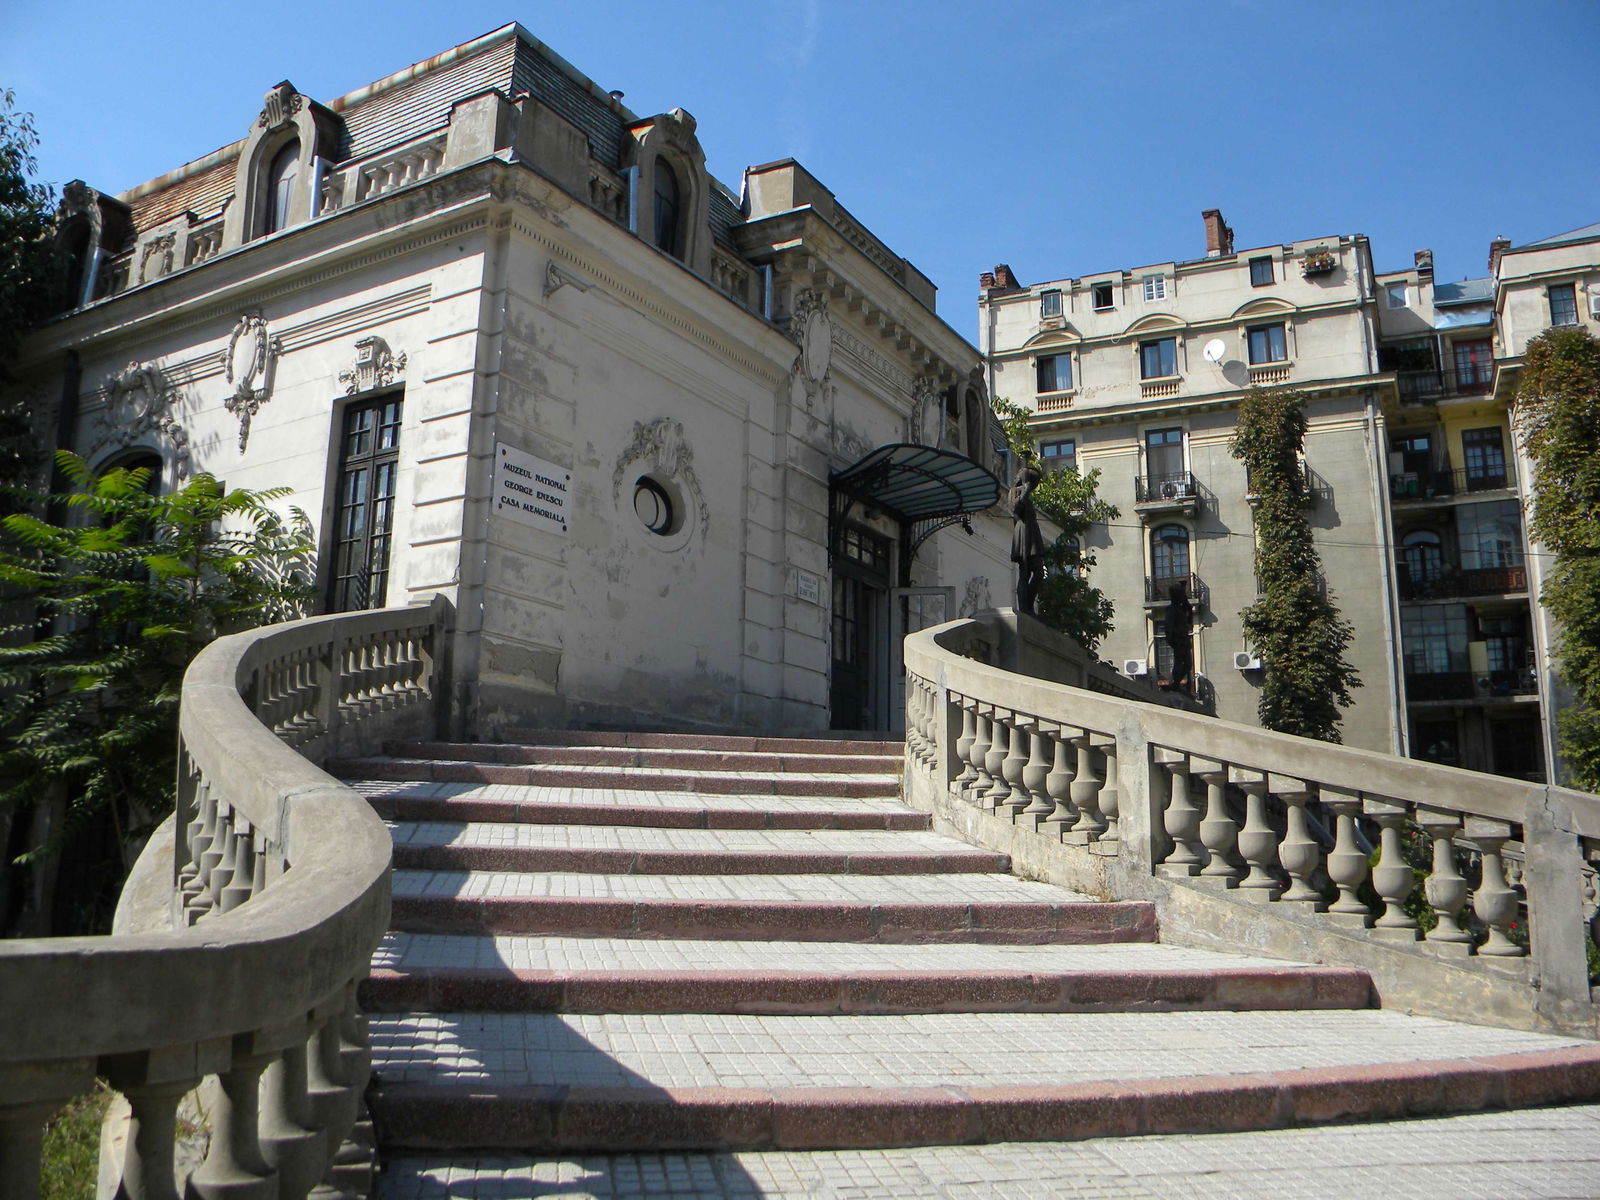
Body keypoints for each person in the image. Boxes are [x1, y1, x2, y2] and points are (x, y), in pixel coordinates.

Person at [1010, 451, 1045, 615]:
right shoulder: (1015, 491)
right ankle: (1024, 607)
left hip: (1032, 532)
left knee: (1039, 573)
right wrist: (1025, 490)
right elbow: (1017, 508)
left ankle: (1029, 605)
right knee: (1024, 572)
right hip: (1023, 531)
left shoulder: (1026, 493)